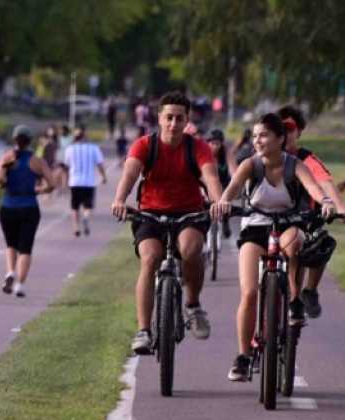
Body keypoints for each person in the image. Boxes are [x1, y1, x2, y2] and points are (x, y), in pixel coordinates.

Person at [210, 113, 335, 381]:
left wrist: (325, 201)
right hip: (255, 227)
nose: (257, 141)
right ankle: (243, 356)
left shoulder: (295, 165)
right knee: (249, 293)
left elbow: (312, 186)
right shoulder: (250, 165)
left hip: (287, 223)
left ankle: (293, 300)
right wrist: (222, 202)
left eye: (264, 135)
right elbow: (231, 189)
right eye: (255, 136)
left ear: (280, 139)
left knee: (297, 242)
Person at [110, 91, 225, 355]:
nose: (174, 124)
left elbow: (210, 177)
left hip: (188, 214)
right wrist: (118, 199)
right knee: (150, 258)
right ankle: (143, 331)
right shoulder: (144, 145)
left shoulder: (197, 147)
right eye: (169, 118)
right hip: (150, 214)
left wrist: (218, 201)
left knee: (191, 250)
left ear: (187, 121)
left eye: (179, 118)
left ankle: (193, 306)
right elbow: (129, 173)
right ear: (159, 119)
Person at [277, 105, 345, 319]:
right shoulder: (267, 155)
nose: (285, 134)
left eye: (290, 129)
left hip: (305, 217)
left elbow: (325, 182)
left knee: (321, 241)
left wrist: (341, 207)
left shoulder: (307, 159)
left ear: (299, 132)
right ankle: (289, 299)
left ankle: (309, 290)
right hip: (275, 218)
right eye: (281, 129)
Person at [0, 125, 56, 298]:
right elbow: (51, 184)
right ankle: (20, 285)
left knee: (10, 245)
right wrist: (39, 190)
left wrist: (5, 173)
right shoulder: (37, 161)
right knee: (25, 248)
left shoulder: (7, 157)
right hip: (29, 207)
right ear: (30, 141)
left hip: (8, 206)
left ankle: (9, 272)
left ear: (14, 139)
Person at [63, 124, 108, 237]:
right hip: (89, 182)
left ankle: (76, 227)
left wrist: (65, 181)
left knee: (75, 207)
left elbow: (66, 167)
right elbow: (100, 164)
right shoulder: (93, 148)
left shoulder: (70, 149)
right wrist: (103, 177)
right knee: (88, 206)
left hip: (74, 182)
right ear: (85, 136)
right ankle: (86, 218)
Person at [207, 129, 236, 238]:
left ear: (221, 144)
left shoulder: (226, 153)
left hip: (223, 183)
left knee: (225, 199)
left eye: (217, 144)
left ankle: (225, 221)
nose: (214, 146)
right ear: (207, 143)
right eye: (212, 143)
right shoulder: (203, 153)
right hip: (207, 184)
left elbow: (233, 170)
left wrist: (235, 182)